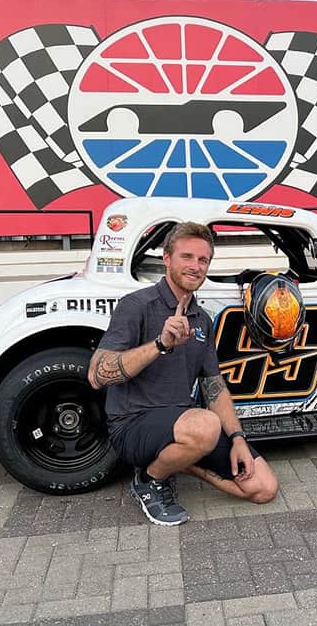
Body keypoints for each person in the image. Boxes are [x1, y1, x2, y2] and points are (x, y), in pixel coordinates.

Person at [88, 221, 279, 525]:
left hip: (186, 426)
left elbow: (214, 388)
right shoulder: (136, 306)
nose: (196, 266)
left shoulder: (201, 319)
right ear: (167, 259)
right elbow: (97, 375)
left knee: (263, 487)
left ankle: (180, 462)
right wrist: (160, 344)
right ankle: (150, 480)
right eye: (187, 257)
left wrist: (239, 439)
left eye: (203, 260)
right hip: (133, 425)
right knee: (205, 425)